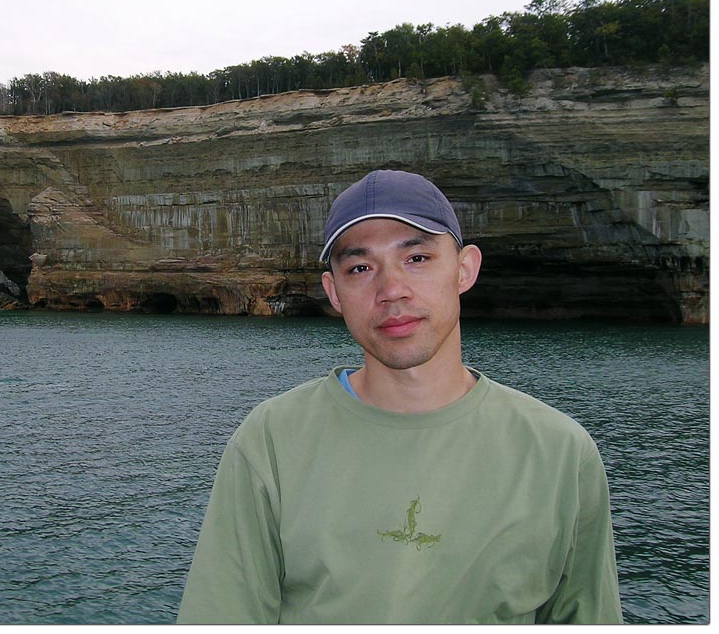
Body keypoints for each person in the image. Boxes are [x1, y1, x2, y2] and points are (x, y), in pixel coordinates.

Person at [176, 169, 623, 624]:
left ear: (465, 269)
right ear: (334, 292)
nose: (391, 291)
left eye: (417, 258)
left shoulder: (560, 453)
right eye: (360, 268)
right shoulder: (271, 441)